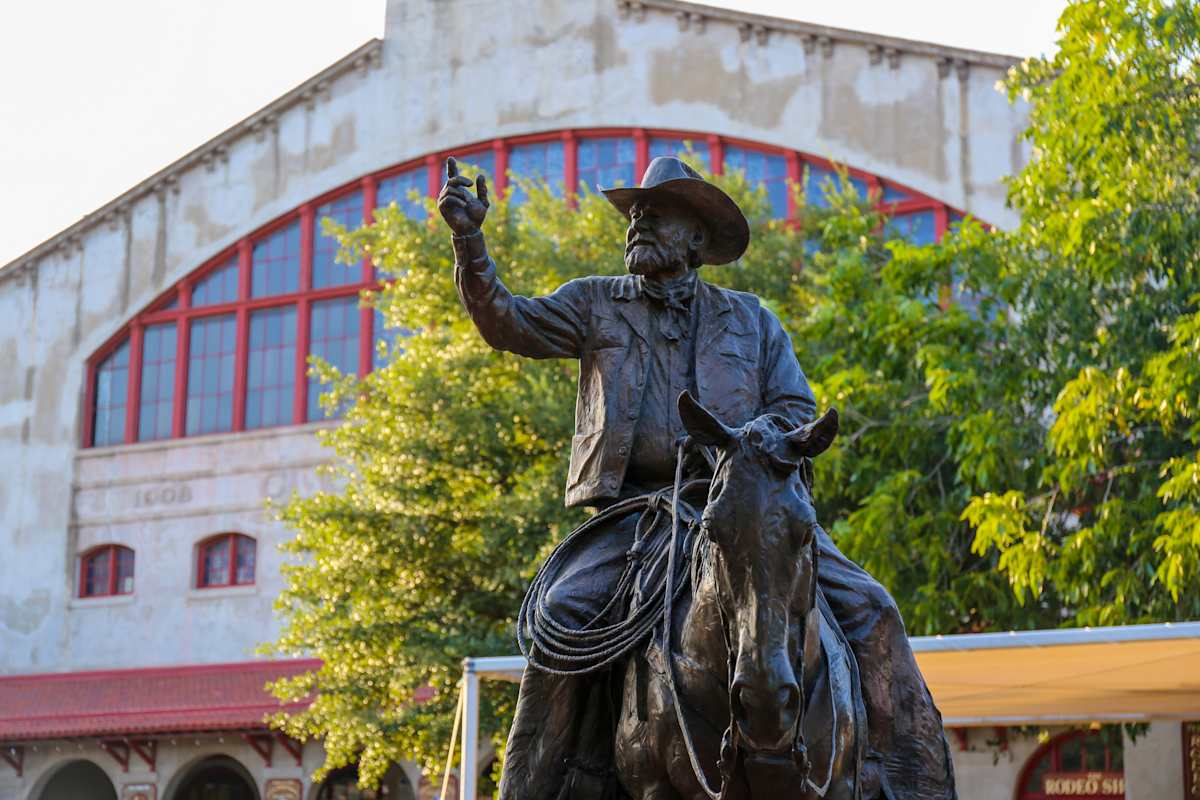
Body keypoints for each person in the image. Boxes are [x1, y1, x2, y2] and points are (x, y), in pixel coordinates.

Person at [438, 155, 955, 800]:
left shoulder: (752, 319)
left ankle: (907, 777)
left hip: (742, 509)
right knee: (560, 617)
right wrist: (469, 241)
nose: (638, 225)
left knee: (875, 611)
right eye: (635, 215)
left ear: (697, 239)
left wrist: (750, 447)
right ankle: (541, 784)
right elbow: (508, 322)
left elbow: (796, 409)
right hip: (635, 517)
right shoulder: (596, 302)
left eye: (656, 216)